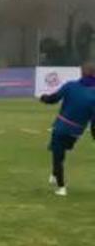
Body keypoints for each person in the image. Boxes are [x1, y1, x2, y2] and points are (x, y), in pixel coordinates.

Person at [39, 61, 95, 197]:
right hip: (77, 132)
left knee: (57, 155)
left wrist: (44, 98)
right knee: (60, 150)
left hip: (61, 127)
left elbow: (54, 98)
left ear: (81, 73)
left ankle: (61, 187)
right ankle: (54, 173)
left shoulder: (71, 86)